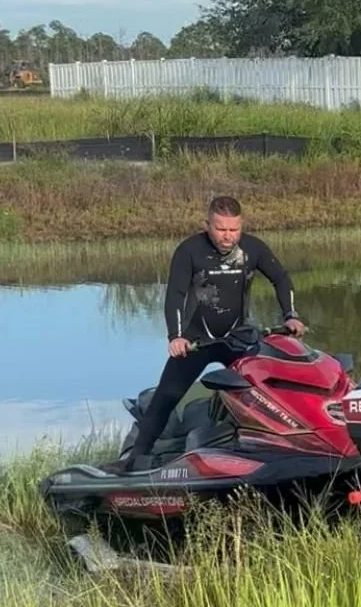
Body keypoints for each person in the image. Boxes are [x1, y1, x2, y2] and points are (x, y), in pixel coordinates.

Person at [120, 195, 306, 468]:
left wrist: (290, 315)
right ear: (207, 224)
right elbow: (176, 294)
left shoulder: (253, 248)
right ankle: (135, 460)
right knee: (166, 397)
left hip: (238, 339)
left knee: (266, 393)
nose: (227, 236)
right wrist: (176, 336)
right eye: (220, 229)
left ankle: (277, 447)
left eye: (233, 230)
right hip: (196, 342)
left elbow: (281, 278)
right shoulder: (189, 250)